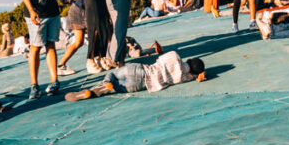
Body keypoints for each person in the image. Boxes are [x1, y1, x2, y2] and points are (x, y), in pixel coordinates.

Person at [65, 51, 206, 101]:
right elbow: (193, 77)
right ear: (193, 72)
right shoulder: (181, 77)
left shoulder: (174, 55)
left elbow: (162, 58)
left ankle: (105, 83)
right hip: (143, 84)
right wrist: (199, 76)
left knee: (113, 74)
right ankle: (103, 89)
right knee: (116, 87)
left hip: (140, 70)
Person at [58, 0, 87, 75]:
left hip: (81, 9)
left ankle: (98, 58)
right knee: (79, 41)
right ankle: (61, 65)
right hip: (79, 11)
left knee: (80, 42)